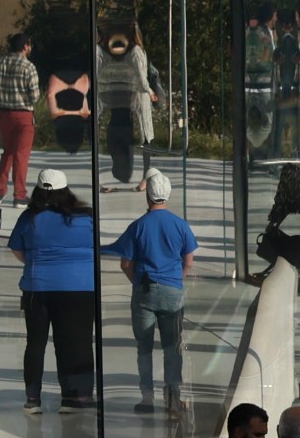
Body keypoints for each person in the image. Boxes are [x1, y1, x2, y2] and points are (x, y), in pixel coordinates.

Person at [106, 167, 199, 414]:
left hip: (144, 292)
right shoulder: (180, 225)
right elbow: (188, 260)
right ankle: (172, 398)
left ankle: (147, 398)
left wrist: (136, 282)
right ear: (167, 196)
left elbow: (125, 262)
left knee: (144, 348)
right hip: (172, 292)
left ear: (148, 197)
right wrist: (177, 280)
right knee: (172, 347)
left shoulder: (138, 226)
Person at [8, 170, 99, 412]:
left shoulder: (30, 217)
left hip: (38, 288)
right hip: (79, 288)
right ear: (66, 190)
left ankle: (32, 400)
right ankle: (74, 398)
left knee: (35, 343)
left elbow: (17, 249)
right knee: (75, 342)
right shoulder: (86, 217)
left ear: (38, 191)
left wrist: (38, 261)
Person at [95, 22, 157, 185]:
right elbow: (141, 78)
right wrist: (150, 92)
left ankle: (145, 176)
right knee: (144, 136)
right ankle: (144, 176)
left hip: (138, 95)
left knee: (144, 137)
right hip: (139, 96)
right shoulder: (136, 52)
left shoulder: (134, 51)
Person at [0, 33, 40, 207]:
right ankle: (19, 195)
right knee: (21, 155)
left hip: (5, 113)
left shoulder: (0, 63)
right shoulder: (28, 67)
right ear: (25, 46)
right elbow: (34, 95)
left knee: (8, 153)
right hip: (23, 114)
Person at [47, 55, 92, 155]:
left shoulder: (55, 76)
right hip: (75, 116)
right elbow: (87, 97)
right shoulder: (84, 76)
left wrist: (55, 113)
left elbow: (50, 95)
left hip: (64, 115)